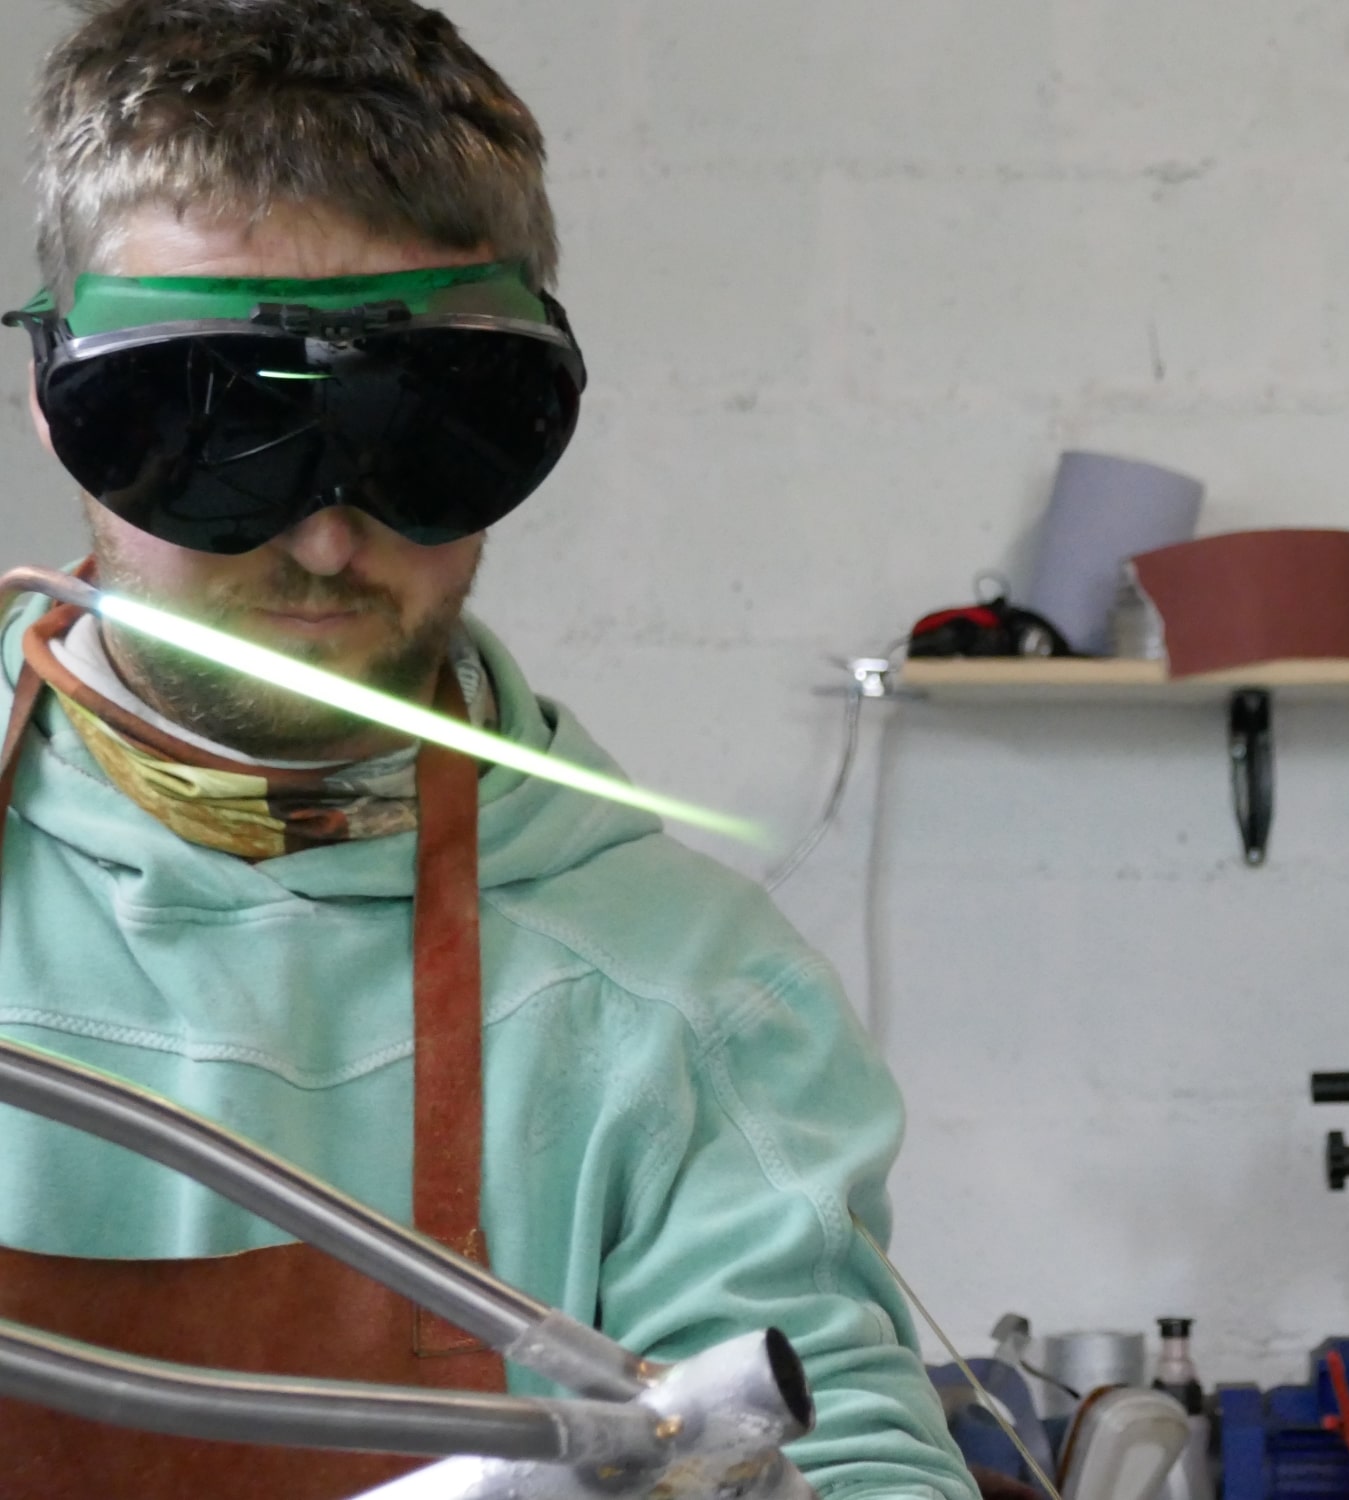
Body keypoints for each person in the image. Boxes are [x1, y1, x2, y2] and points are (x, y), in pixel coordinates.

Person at [0, 4, 978, 1498]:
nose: (328, 543)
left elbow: (849, 1449)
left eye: (428, 438)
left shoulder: (683, 1000)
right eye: (212, 432)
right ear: (56, 401)